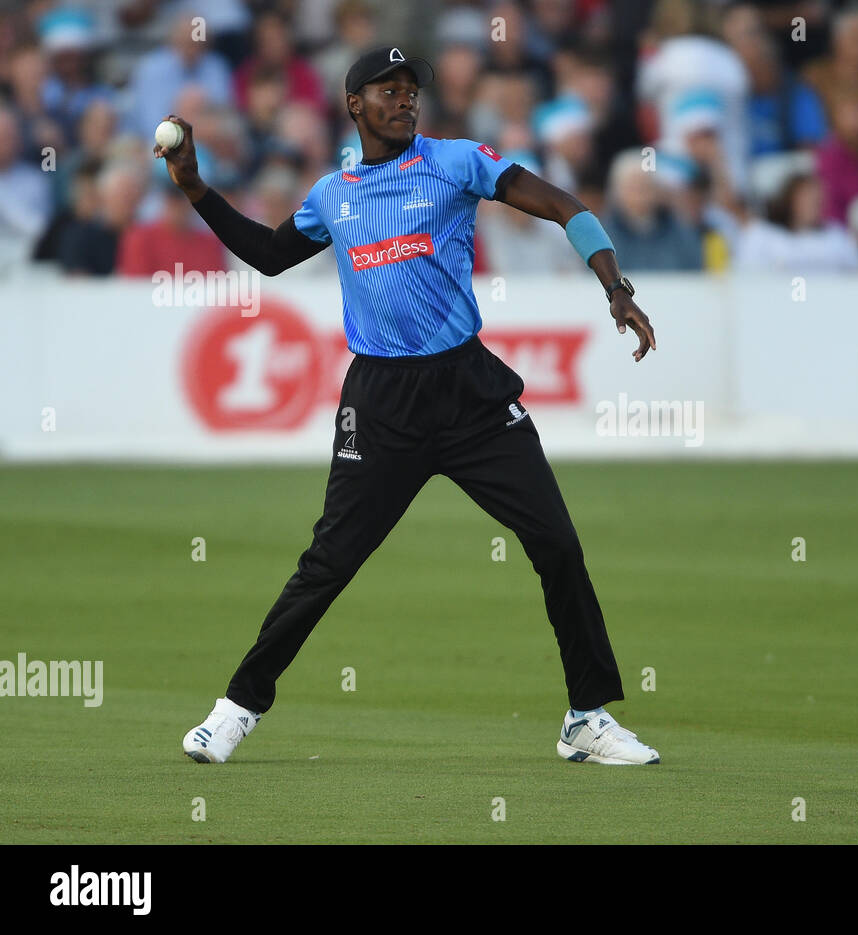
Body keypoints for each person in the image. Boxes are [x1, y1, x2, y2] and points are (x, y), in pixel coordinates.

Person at [162, 47, 660, 767]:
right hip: (382, 403)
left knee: (557, 543)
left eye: (411, 90)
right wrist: (196, 189)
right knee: (328, 562)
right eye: (386, 90)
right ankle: (237, 707)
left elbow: (565, 206)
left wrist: (614, 284)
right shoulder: (334, 194)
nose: (404, 100)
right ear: (352, 104)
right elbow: (270, 256)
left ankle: (586, 718)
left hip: (470, 394)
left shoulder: (457, 162)